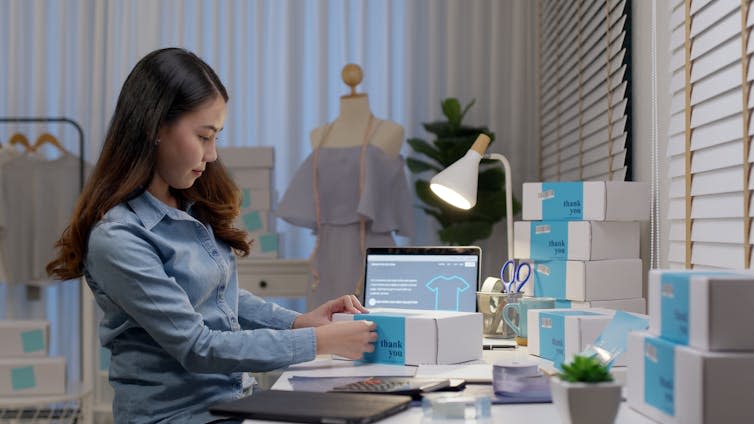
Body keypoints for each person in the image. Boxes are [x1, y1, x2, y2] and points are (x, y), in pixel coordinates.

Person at [46, 48, 377, 424]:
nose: (213, 154)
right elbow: (197, 346)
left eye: (216, 137)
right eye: (204, 136)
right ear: (154, 128)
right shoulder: (118, 238)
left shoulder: (189, 204)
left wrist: (300, 322)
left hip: (232, 403)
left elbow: (219, 298)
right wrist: (318, 343)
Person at [276, 75, 414, 308]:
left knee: (379, 327)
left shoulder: (390, 131)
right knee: (325, 327)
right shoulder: (319, 135)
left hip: (371, 247)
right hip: (327, 254)